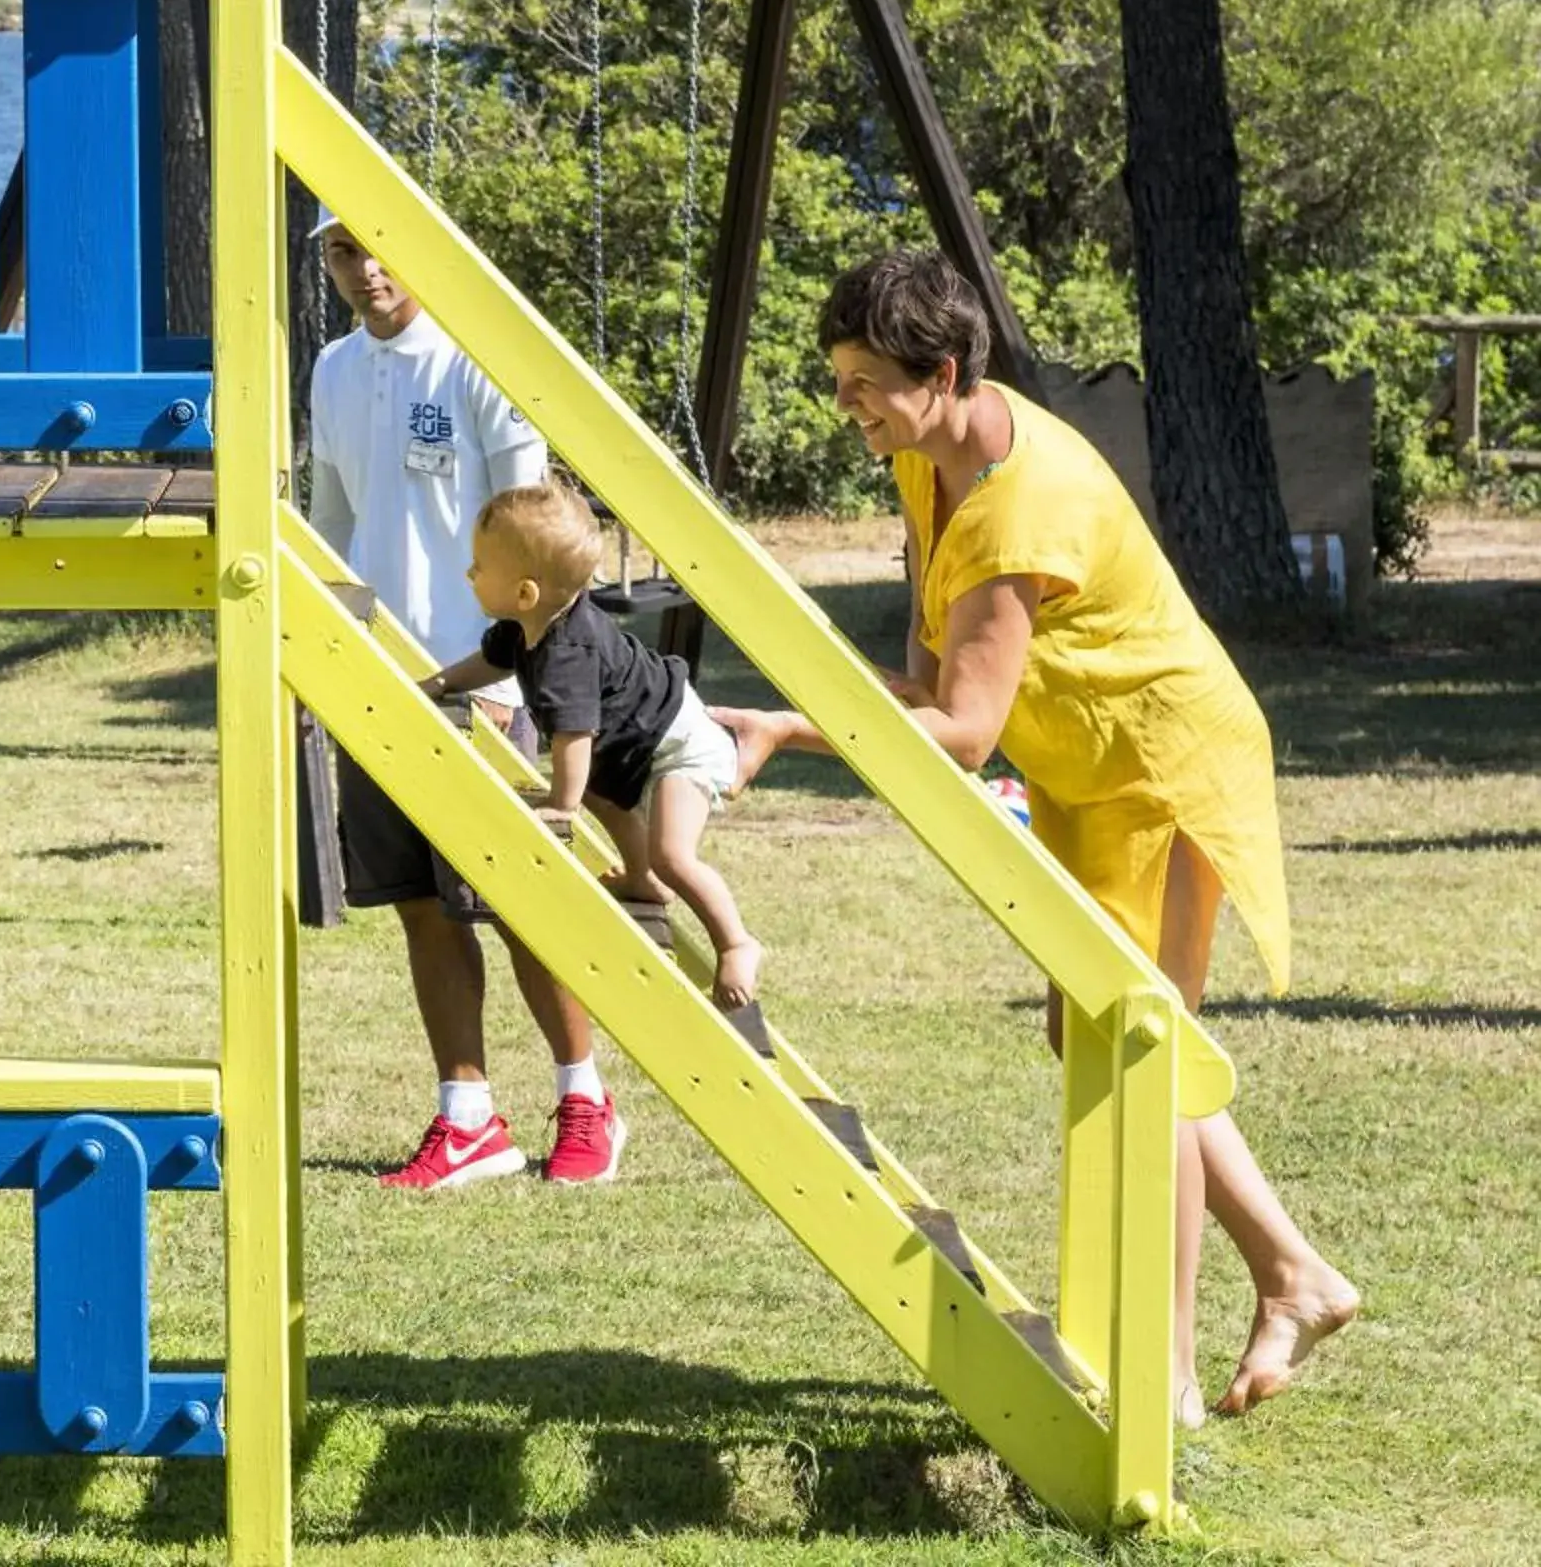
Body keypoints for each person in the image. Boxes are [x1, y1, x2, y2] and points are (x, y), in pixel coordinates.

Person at [714, 248, 1358, 1423]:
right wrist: (781, 710)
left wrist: (784, 728)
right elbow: (926, 680)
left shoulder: (1022, 502)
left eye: (865, 380)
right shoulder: (929, 462)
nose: (846, 400)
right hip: (1086, 762)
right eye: (841, 376)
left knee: (1139, 1052)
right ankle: (1291, 1271)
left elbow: (958, 732)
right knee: (1094, 1031)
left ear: (944, 370)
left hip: (1162, 766)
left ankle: (1159, 1384)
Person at [309, 216, 621, 1188]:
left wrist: (516, 675)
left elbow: (537, 538)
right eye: (340, 251)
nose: (366, 267)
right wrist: (330, 654)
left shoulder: (477, 356)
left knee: (523, 903)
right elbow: (333, 522)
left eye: (376, 241)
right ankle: (470, 1116)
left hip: (482, 683)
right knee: (418, 904)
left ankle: (586, 1100)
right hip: (377, 683)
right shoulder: (329, 367)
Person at [424, 483, 760, 1006]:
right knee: (606, 794)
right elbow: (490, 662)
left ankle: (737, 943)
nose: (470, 574)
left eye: (479, 566)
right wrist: (443, 682)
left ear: (526, 592)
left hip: (682, 748)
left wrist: (562, 805)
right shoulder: (524, 626)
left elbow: (573, 737)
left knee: (674, 852)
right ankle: (644, 879)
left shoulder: (566, 654)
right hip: (635, 747)